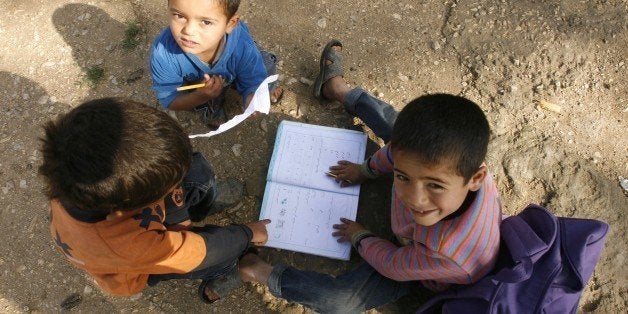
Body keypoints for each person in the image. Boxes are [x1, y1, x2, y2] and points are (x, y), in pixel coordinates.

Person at [238, 40, 503, 313]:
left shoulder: (451, 255)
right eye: (403, 177)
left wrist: (361, 237)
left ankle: (259, 271)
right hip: (412, 235)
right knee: (404, 130)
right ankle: (336, 88)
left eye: (435, 185)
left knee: (340, 300)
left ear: (476, 178)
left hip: (416, 264)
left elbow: (393, 264)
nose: (413, 197)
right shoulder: (453, 164)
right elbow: (394, 153)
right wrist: (365, 170)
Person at [39, 97, 270, 303]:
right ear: (126, 206)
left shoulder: (74, 175)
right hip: (139, 267)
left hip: (140, 232)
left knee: (195, 171)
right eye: (166, 188)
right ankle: (232, 271)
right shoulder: (127, 247)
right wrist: (247, 233)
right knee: (221, 256)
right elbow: (201, 252)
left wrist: (180, 214)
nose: (174, 186)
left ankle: (198, 211)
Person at [150, 0, 283, 129]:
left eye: (206, 22)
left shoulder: (242, 45)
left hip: (239, 65)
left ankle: (268, 90)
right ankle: (213, 115)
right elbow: (170, 99)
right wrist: (201, 95)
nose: (189, 31)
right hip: (202, 87)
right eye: (179, 16)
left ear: (230, 24)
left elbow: (254, 79)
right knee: (207, 102)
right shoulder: (163, 54)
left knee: (265, 66)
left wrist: (252, 98)